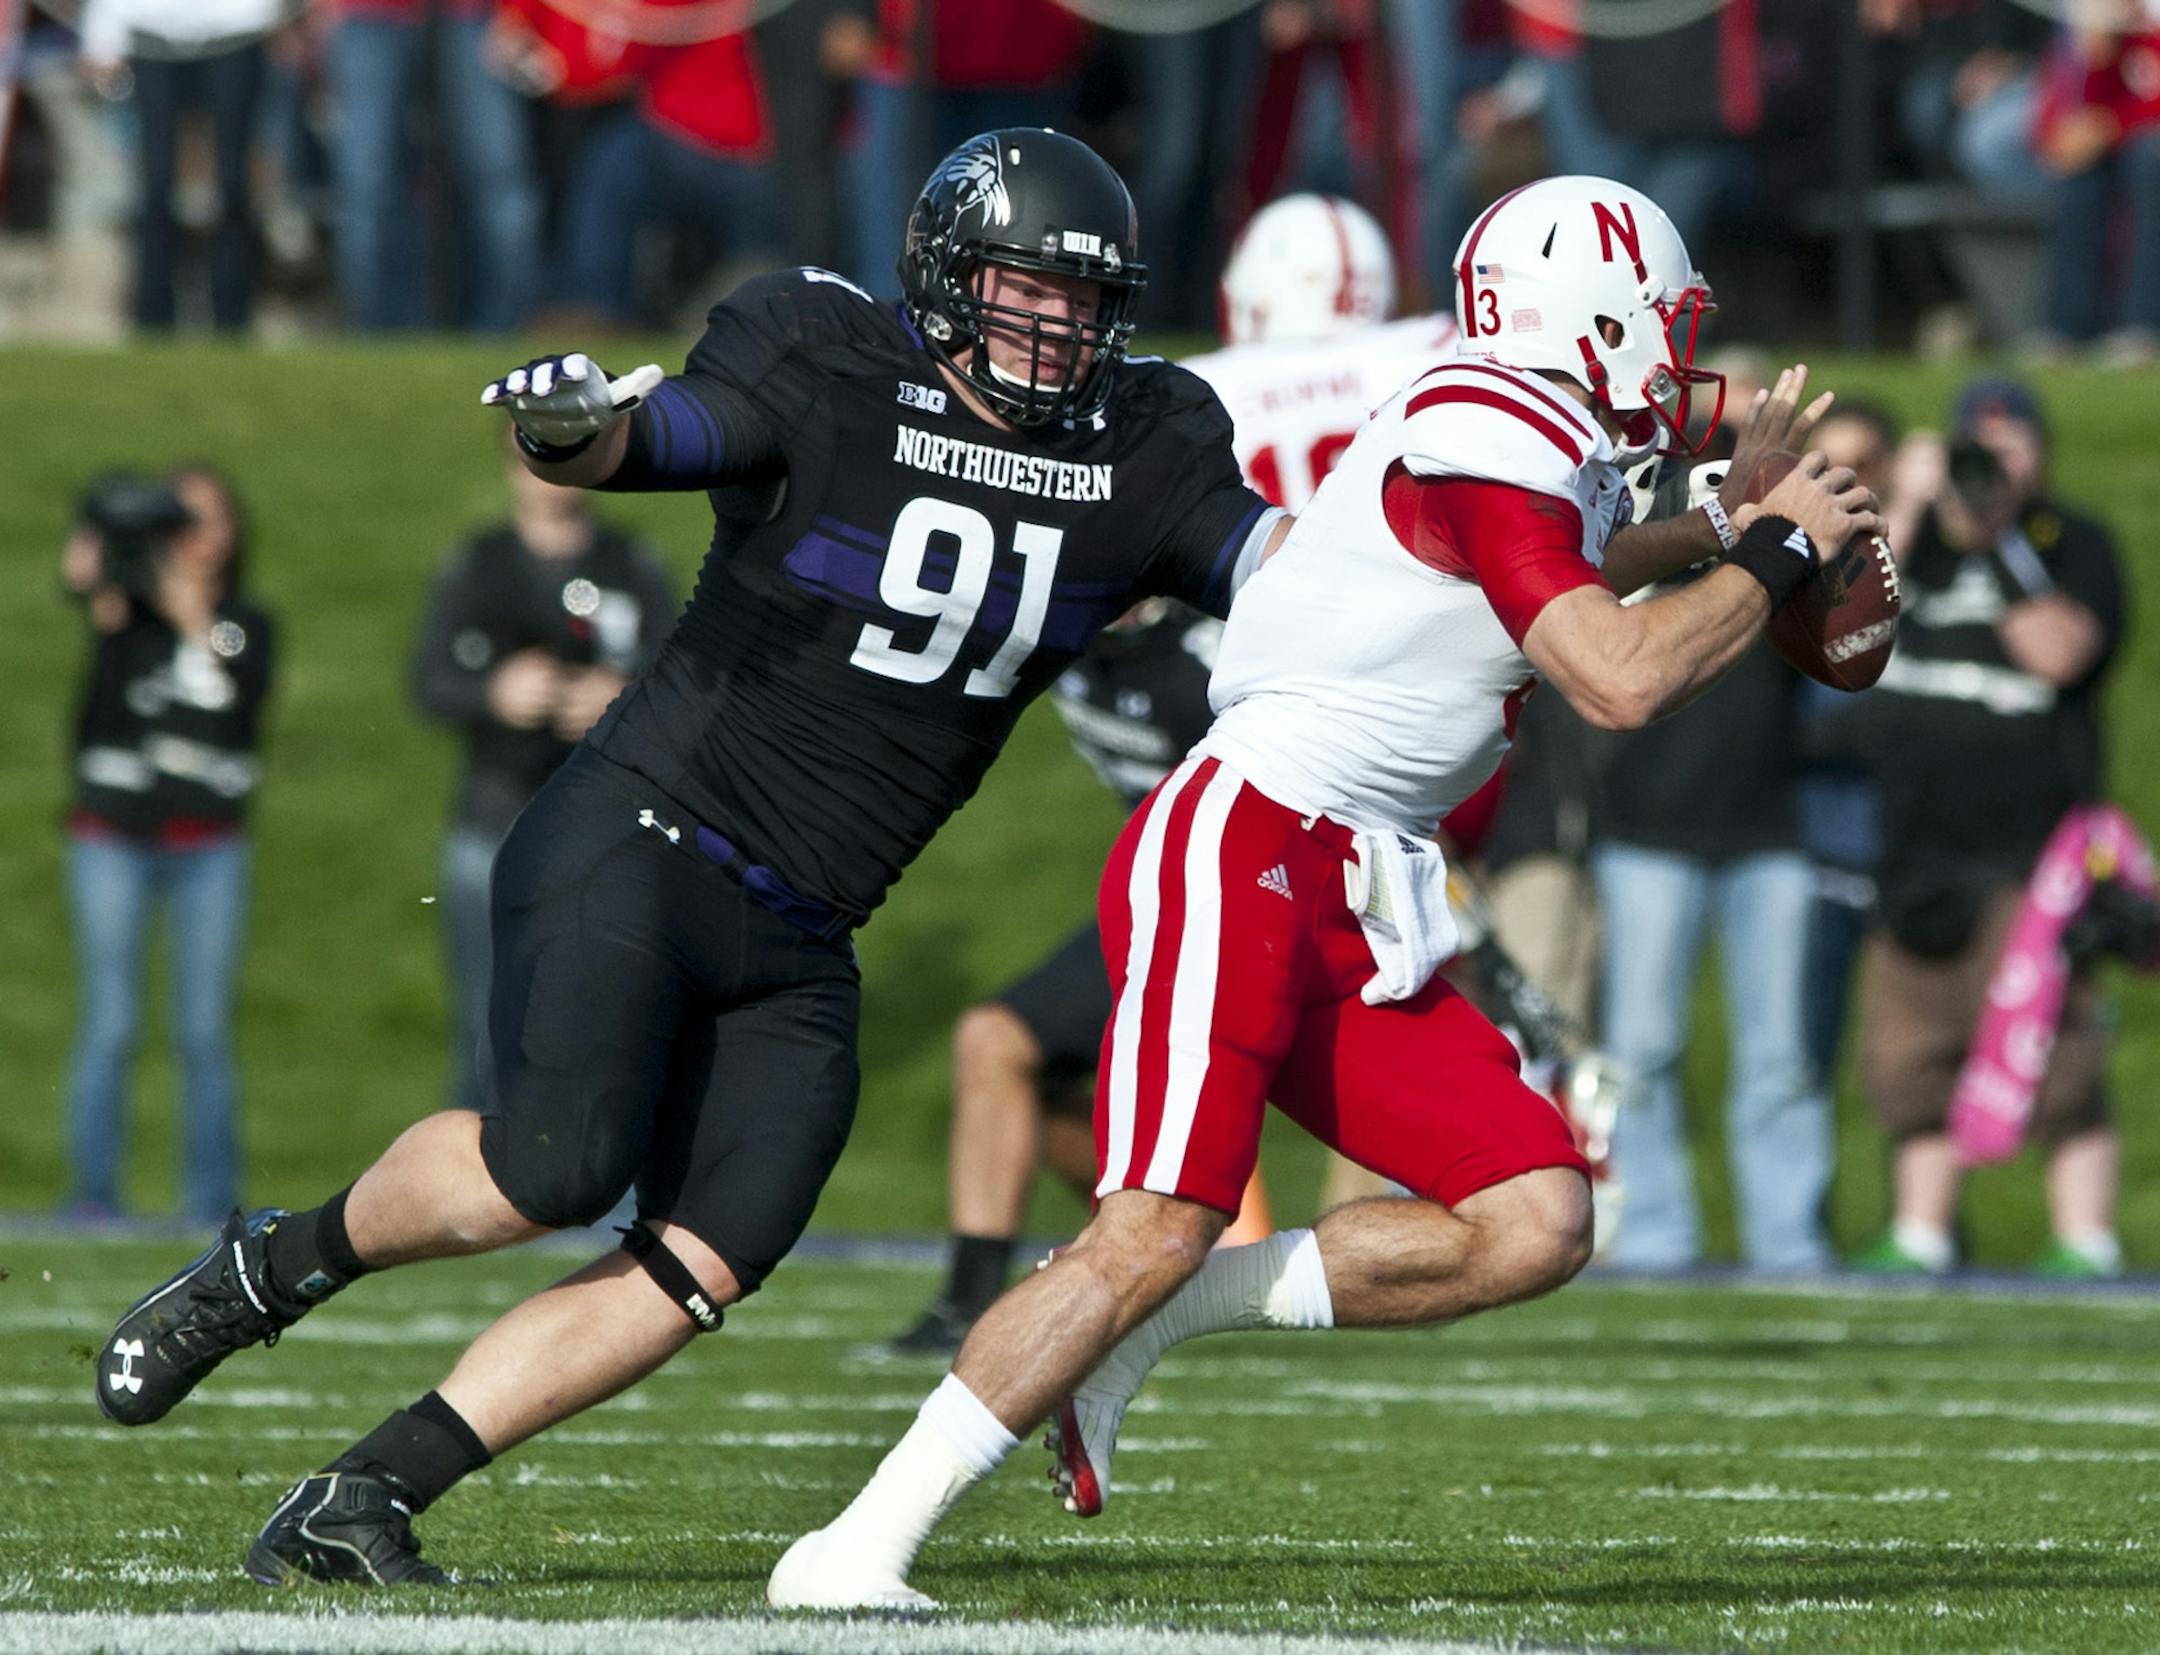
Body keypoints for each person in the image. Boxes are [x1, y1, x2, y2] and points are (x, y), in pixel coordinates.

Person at [93, 129, 1290, 1588]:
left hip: (806, 928)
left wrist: (1504, 548)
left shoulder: (1144, 450)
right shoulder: (826, 356)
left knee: (699, 1261)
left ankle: (364, 1492)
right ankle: (270, 1265)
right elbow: (657, 438)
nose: (1061, 327)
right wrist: (563, 435)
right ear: (946, 277)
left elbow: (1291, 580)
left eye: (1089, 301)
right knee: (552, 1168)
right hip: (645, 835)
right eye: (1028, 288)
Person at [768, 175, 1881, 1610]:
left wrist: (1727, 521)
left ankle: (1135, 1330)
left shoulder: (1528, 434)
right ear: (1587, 314)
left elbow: (1580, 555)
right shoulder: (1489, 415)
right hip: (1247, 839)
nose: (1676, 358)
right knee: (1156, 1222)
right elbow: (1617, 672)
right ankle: (854, 1545)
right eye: (1663, 324)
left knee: (1535, 1215)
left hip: (1358, 878)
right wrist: (1779, 546)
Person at [889, 600, 1264, 1356]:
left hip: (1236, 903)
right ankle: (1171, 1246)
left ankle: (1197, 1246)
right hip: (1159, 899)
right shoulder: (1065, 634)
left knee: (994, 1039)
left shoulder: (1209, 663)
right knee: (1008, 1054)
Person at [1847, 377, 2127, 1277]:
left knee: (2059, 1052)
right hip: (1913, 847)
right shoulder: (1912, 542)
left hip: (2030, 856)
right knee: (1911, 1055)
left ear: (2040, 455)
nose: (1992, 464)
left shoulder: (2070, 542)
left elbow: (2060, 654)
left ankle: (2086, 1238)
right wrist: (1907, 504)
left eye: (2011, 448)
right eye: (1979, 445)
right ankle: (1924, 1232)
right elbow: (1840, 615)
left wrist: (1997, 539)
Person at [411, 440, 677, 1113]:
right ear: (511, 465)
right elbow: (430, 680)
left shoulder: (630, 563)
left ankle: (604, 1208)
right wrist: (495, 692)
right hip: (495, 822)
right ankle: (472, 1193)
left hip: (605, 828)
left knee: (608, 1019)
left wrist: (622, 699)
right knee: (487, 1022)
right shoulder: (481, 564)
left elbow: (685, 681)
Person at [61, 467, 275, 1225]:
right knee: (111, 1021)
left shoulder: (245, 621)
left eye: (207, 520)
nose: (192, 536)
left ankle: (212, 1198)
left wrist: (191, 614)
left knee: (202, 1029)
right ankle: (92, 1192)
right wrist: (102, 560)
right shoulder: (126, 611)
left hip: (208, 843)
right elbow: (91, 604)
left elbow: (240, 698)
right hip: (112, 835)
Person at [77, 0, 279, 331]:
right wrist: (101, 39)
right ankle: (153, 320)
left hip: (236, 32)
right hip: (151, 36)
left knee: (233, 185)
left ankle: (235, 320)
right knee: (155, 186)